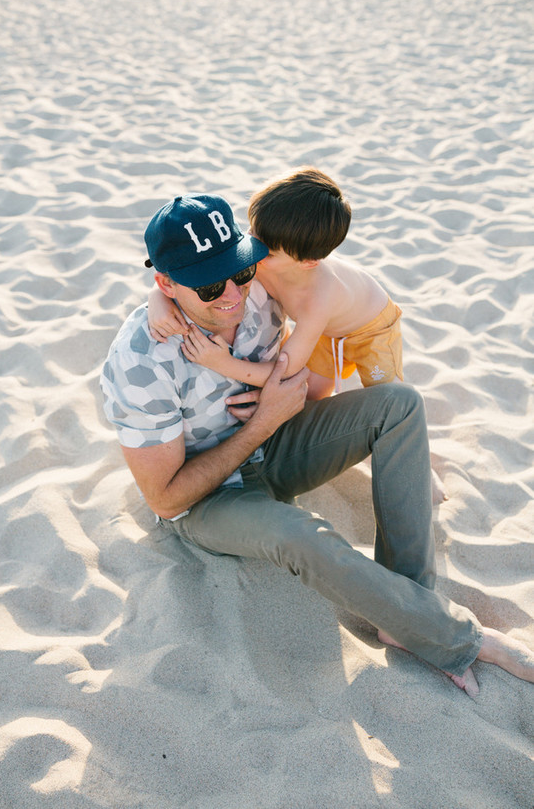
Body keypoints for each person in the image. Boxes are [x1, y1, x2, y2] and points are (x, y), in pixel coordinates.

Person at [100, 192, 534, 698]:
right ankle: (454, 636)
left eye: (238, 273)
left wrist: (276, 416)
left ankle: (407, 615)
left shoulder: (255, 286)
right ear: (166, 283)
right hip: (209, 499)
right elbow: (166, 498)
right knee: (302, 533)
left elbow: (329, 276)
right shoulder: (140, 363)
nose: (233, 297)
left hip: (278, 445)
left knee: (399, 404)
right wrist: (264, 422)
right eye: (210, 285)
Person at [147, 167, 401, 401]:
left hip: (372, 330)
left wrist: (224, 364)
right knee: (312, 397)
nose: (253, 249)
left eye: (266, 252)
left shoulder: (319, 298)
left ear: (308, 262)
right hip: (323, 334)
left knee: (388, 400)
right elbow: (198, 274)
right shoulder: (266, 255)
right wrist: (158, 297)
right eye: (252, 233)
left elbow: (287, 368)